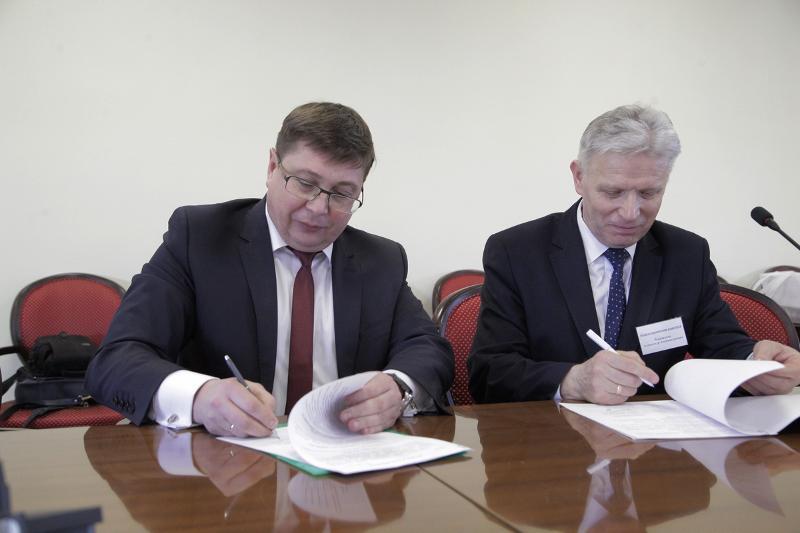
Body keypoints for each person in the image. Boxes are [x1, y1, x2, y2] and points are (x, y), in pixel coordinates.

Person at [86, 102, 454, 436]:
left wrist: (398, 387)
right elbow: (117, 359)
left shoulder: (380, 260)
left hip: (345, 463)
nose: (319, 209)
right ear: (273, 167)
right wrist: (200, 396)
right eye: (305, 184)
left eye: (342, 193)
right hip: (224, 463)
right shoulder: (199, 238)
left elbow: (427, 349)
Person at [468, 104, 800, 405]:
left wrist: (757, 364)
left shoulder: (686, 254)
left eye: (648, 193)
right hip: (548, 440)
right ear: (579, 177)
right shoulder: (517, 252)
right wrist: (573, 381)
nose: (630, 212)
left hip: (655, 442)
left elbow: (722, 343)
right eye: (613, 192)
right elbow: (489, 373)